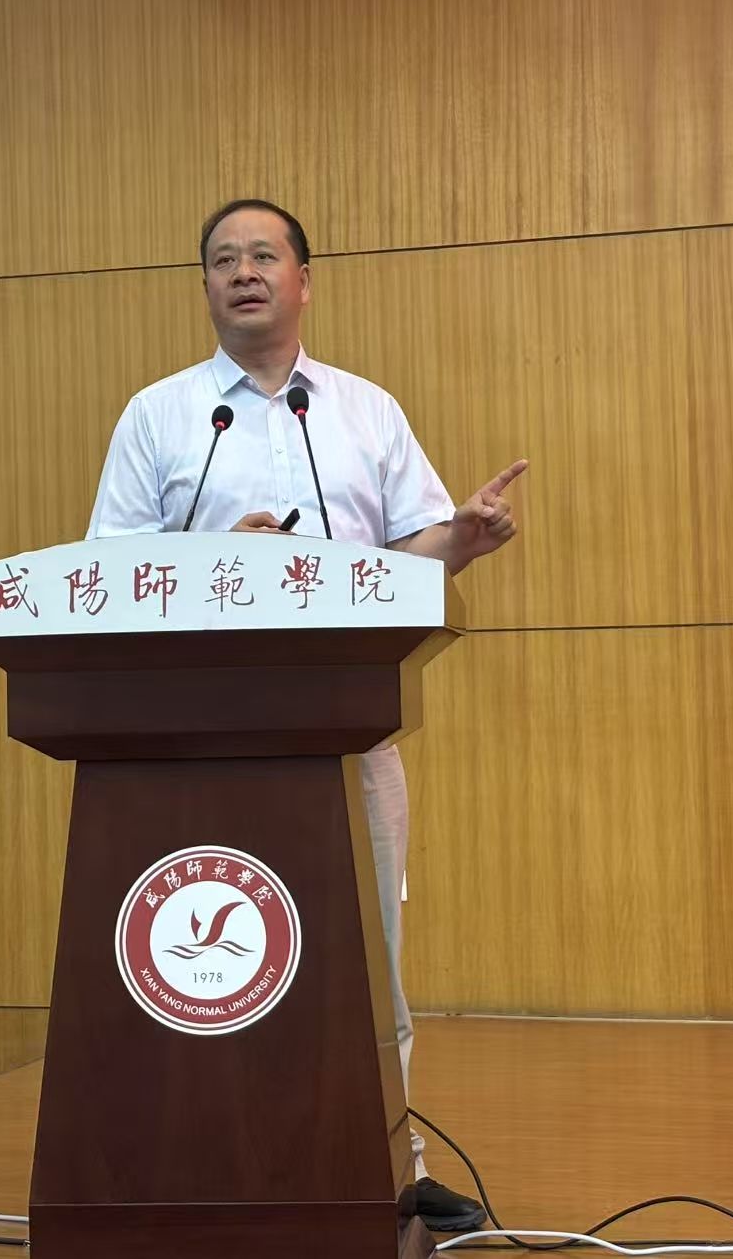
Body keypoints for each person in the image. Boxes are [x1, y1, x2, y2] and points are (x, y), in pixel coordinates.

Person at [86, 197, 525, 1233]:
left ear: (303, 281)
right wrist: (217, 557)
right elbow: (110, 568)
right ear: (205, 286)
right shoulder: (160, 415)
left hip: (349, 736)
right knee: (208, 961)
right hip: (191, 748)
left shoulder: (365, 411)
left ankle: (388, 1162)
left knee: (370, 959)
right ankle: (199, 1155)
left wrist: (460, 539)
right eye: (222, 260)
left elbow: (406, 557)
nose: (243, 272)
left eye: (263, 256)